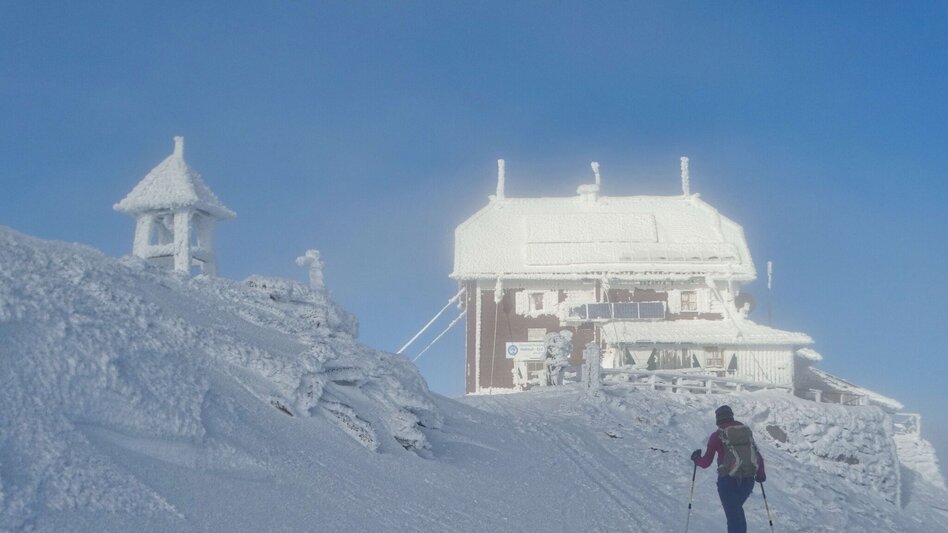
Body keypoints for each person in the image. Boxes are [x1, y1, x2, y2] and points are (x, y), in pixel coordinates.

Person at [691, 405, 766, 533]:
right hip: (748, 480)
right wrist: (760, 475)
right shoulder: (745, 432)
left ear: (718, 420)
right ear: (731, 416)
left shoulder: (717, 436)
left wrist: (696, 458)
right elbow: (758, 456)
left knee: (733, 516)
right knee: (736, 512)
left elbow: (705, 463)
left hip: (728, 481)